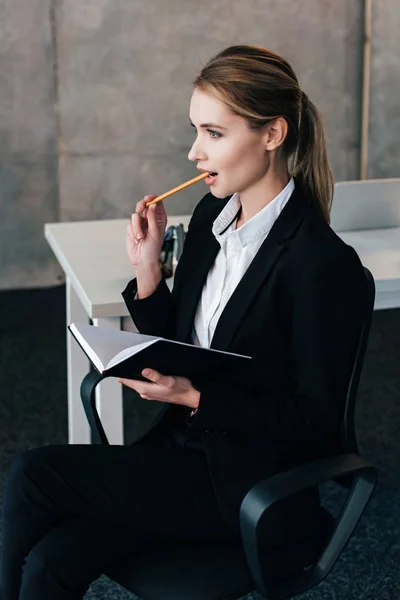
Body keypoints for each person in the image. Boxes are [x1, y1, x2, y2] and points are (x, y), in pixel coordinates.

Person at [0, 45, 368, 600]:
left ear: (272, 135)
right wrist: (149, 273)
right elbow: (186, 346)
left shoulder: (322, 266)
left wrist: (195, 399)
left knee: (35, 473)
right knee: (51, 562)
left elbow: (316, 420)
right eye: (195, 131)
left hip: (243, 482)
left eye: (213, 134)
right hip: (179, 455)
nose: (194, 152)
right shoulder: (208, 217)